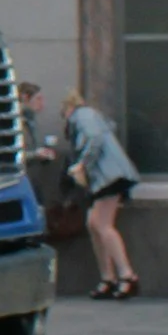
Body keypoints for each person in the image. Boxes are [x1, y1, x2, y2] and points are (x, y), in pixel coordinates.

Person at [62, 90, 141, 299]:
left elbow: (94, 139)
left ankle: (127, 276)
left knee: (102, 224)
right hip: (107, 178)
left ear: (67, 109)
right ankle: (108, 277)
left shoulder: (82, 115)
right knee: (93, 224)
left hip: (110, 177)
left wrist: (81, 165)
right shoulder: (90, 115)